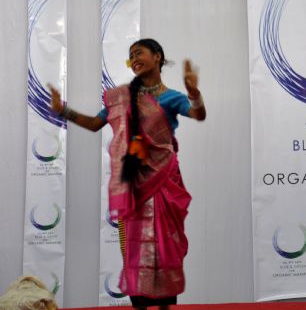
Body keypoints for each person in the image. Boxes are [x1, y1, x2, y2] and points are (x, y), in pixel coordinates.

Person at [48, 39, 206, 310]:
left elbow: (197, 114)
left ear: (157, 57)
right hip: (132, 188)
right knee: (135, 251)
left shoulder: (172, 98)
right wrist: (64, 110)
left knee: (164, 250)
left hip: (164, 184)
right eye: (131, 56)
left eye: (139, 53)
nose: (134, 59)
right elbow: (94, 123)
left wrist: (194, 93)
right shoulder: (121, 99)